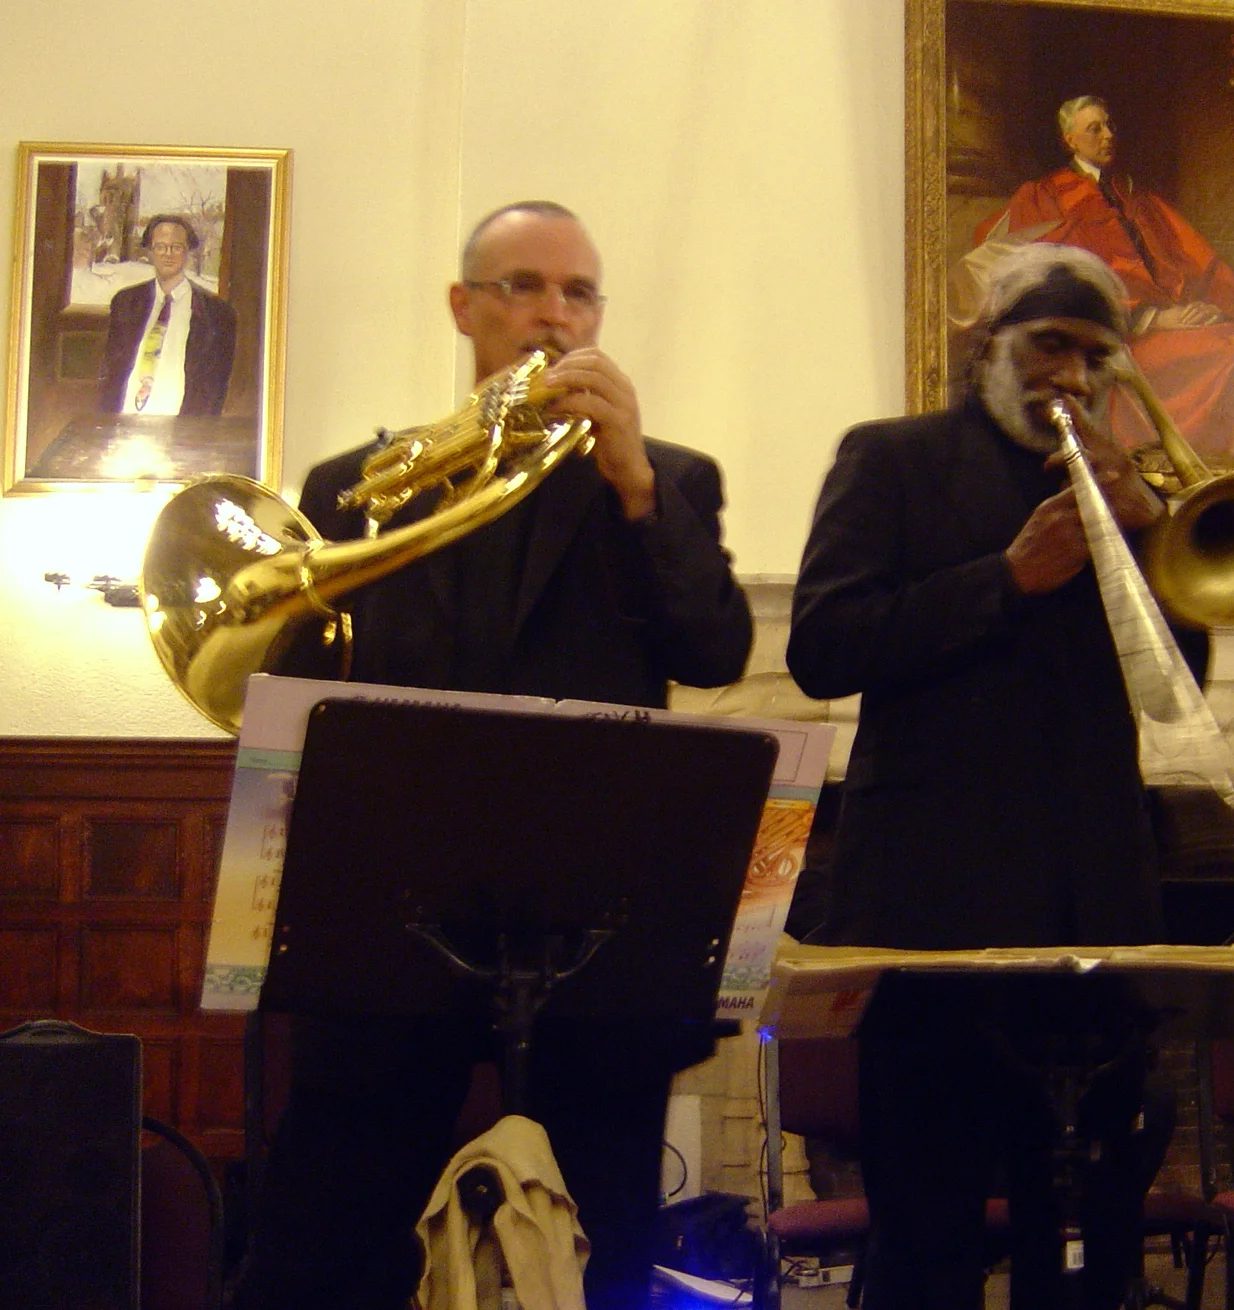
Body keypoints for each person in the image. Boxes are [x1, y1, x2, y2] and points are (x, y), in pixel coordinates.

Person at [232, 200, 754, 1310]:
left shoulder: (668, 479)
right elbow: (297, 692)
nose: (553, 316)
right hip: (389, 924)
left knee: (597, 1246)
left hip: (591, 934)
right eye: (523, 287)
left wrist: (638, 489)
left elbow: (715, 651)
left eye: (578, 294)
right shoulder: (355, 485)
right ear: (464, 307)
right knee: (334, 1238)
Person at [788, 243, 1198, 1310]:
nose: (1073, 375)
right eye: (1049, 345)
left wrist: (1149, 532)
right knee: (926, 1240)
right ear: (987, 347)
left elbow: (1177, 690)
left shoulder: (1129, 494)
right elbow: (824, 646)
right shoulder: (892, 459)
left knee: (1092, 1249)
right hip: (933, 914)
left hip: (1094, 911)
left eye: (1097, 356)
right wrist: (1007, 579)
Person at [971, 95, 1234, 457]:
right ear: (1069, 140)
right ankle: (1217, 468)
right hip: (1118, 338)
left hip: (1175, 323)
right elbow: (1058, 281)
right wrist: (1151, 317)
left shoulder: (1136, 198)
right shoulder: (1046, 197)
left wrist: (1207, 305)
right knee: (1233, 357)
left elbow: (1195, 260)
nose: (1108, 135)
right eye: (1095, 129)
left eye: (1109, 126)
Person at [98, 214, 237, 416]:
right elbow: (111, 372)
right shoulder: (126, 302)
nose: (167, 254)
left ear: (188, 251)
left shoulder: (216, 313)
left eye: (176, 247)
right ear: (150, 251)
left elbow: (215, 388)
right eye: (160, 247)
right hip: (125, 419)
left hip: (184, 425)